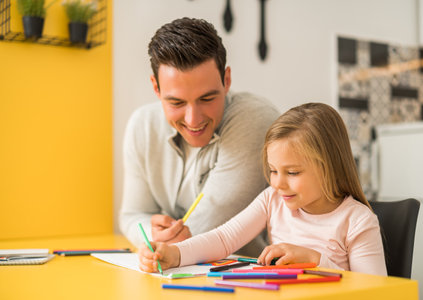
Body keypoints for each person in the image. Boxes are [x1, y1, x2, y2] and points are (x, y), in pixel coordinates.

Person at [138, 103, 387, 276]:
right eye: (273, 170)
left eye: (292, 173)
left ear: (330, 167)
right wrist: (173, 253)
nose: (277, 183)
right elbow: (224, 238)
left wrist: (316, 260)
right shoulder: (273, 200)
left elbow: (378, 293)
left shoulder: (357, 220)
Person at [119, 17, 279, 257]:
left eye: (207, 99)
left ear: (226, 81)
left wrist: (165, 242)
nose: (193, 120)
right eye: (177, 102)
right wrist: (152, 234)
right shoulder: (142, 126)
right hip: (173, 273)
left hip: (246, 278)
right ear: (156, 88)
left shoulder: (255, 119)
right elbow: (131, 215)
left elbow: (201, 230)